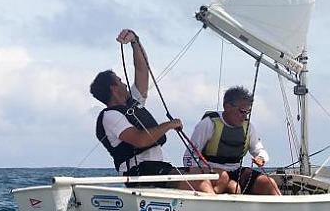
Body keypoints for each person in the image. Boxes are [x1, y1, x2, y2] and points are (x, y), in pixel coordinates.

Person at [90, 29, 216, 193]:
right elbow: (140, 140)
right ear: (114, 88)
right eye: (120, 81)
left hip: (157, 168)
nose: (125, 84)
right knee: (202, 185)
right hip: (140, 173)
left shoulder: (133, 102)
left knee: (213, 177)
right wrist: (169, 125)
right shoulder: (111, 116)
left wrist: (135, 42)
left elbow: (142, 69)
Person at [183, 86, 281, 195]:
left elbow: (259, 150)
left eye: (247, 113)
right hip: (211, 170)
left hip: (235, 171)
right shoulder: (209, 124)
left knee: (268, 183)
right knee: (229, 184)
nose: (244, 116)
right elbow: (189, 157)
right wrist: (201, 173)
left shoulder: (248, 127)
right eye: (242, 111)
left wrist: (261, 158)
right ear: (227, 107)